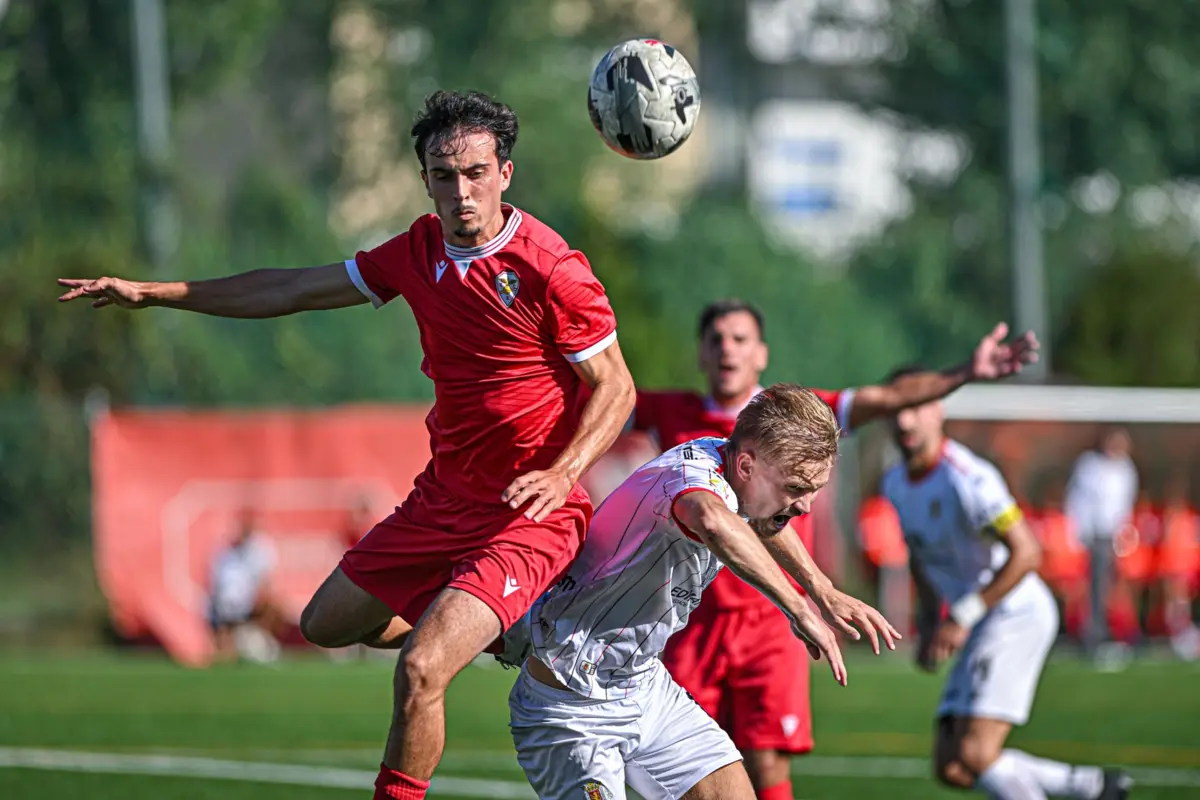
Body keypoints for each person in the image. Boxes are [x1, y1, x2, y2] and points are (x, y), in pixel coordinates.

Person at [58, 90, 636, 800]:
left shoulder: (552, 267)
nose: (462, 190)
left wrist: (562, 470)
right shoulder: (416, 251)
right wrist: (157, 293)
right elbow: (291, 289)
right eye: (444, 174)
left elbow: (616, 389)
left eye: (477, 172)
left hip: (530, 510)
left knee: (422, 668)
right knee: (327, 623)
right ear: (424, 179)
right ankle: (511, 635)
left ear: (505, 174)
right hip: (443, 499)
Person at [633, 298, 1039, 800]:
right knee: (679, 767)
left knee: (764, 759)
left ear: (762, 353)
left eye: (740, 339)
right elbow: (593, 390)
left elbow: (886, 397)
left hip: (770, 616)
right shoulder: (674, 417)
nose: (727, 350)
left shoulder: (795, 418)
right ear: (700, 353)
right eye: (716, 339)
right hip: (694, 619)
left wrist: (964, 373)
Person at [510, 385, 901, 800]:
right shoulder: (692, 483)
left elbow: (761, 519)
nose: (804, 506)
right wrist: (798, 610)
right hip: (571, 702)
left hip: (644, 690)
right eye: (796, 488)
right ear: (748, 466)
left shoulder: (731, 464)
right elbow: (712, 519)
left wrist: (822, 590)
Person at [882, 369, 1132, 800]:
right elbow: (921, 557)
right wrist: (928, 622)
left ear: (937, 411)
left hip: (1016, 613)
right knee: (952, 765)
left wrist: (962, 616)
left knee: (976, 752)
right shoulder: (896, 483)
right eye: (895, 409)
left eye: (916, 408)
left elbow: (1028, 552)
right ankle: (1089, 786)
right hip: (979, 619)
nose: (905, 421)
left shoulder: (968, 478)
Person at [1064, 427, 1139, 662]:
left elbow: (1125, 504)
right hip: (1094, 535)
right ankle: (1094, 636)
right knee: (1095, 587)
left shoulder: (1126, 469)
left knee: (1114, 588)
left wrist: (1125, 536)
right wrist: (1077, 533)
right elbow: (1077, 501)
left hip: (1116, 537)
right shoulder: (1089, 466)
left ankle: (1115, 632)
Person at [208, 510, 286, 664]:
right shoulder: (223, 555)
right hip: (228, 613)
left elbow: (266, 589)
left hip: (250, 612)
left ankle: (257, 639)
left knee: (275, 608)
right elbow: (218, 592)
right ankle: (230, 644)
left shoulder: (260, 550)